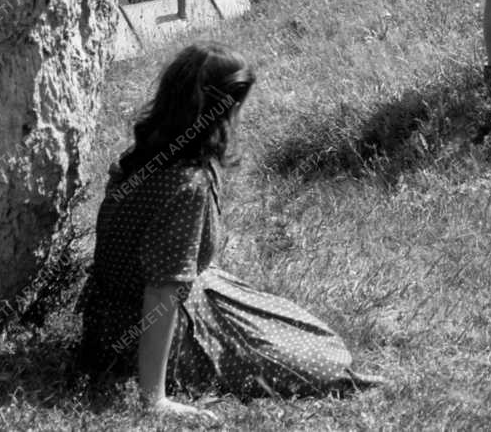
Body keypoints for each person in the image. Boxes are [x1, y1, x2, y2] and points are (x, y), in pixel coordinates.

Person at [79, 42, 380, 417]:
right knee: (328, 362)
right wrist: (154, 400)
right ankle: (159, 384)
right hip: (143, 334)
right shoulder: (188, 184)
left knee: (308, 333)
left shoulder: (145, 155)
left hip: (108, 318)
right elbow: (161, 293)